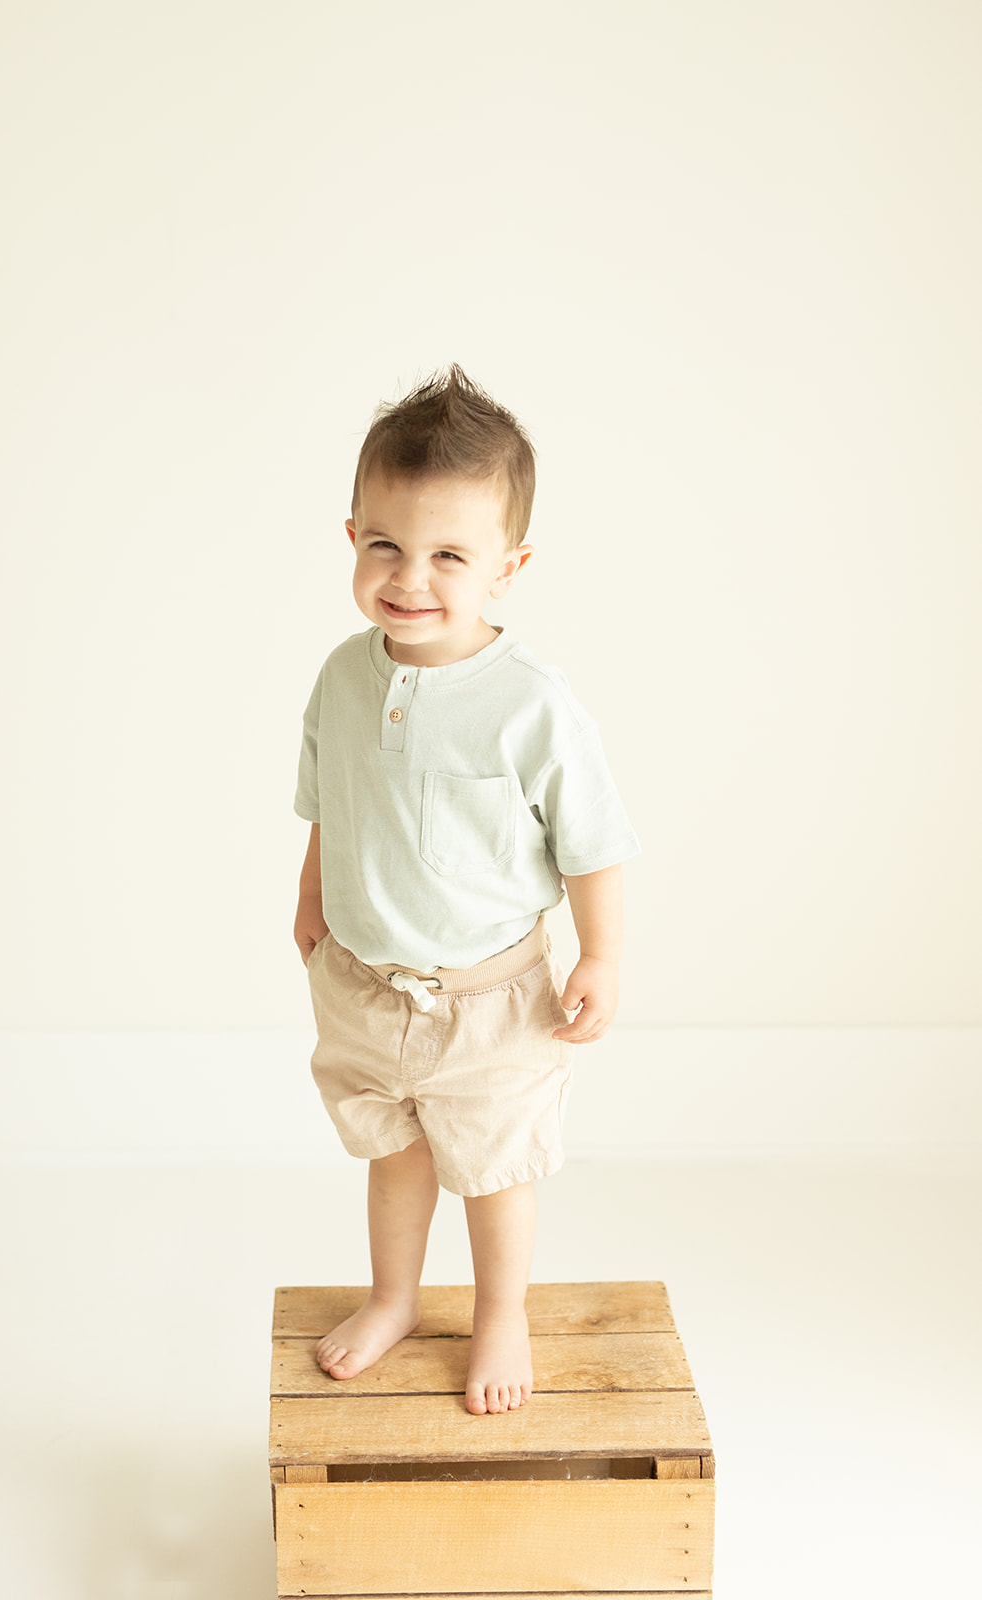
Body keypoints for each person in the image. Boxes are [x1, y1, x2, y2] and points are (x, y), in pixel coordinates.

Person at [293, 366, 640, 1416]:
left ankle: (498, 1314)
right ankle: (394, 1294)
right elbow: (328, 799)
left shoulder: (528, 705)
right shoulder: (343, 678)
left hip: (490, 1003)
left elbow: (592, 843)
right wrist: (310, 904)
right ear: (350, 535)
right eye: (385, 545)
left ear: (507, 565)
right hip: (361, 983)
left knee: (490, 1172)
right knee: (391, 1152)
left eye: (449, 555)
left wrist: (600, 955)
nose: (410, 577)